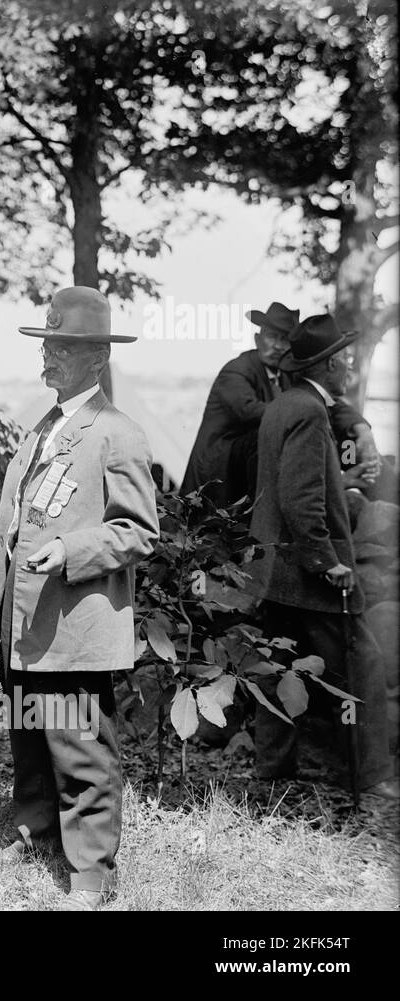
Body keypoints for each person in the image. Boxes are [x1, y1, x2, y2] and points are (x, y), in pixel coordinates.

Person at [0, 287, 159, 909]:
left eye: (60, 348)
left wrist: (74, 552)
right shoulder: (44, 429)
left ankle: (90, 873)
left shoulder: (117, 433)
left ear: (96, 359)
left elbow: (137, 531)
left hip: (72, 621)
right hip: (25, 622)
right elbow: (11, 529)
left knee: (79, 747)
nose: (46, 357)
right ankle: (36, 831)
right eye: (45, 344)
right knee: (29, 734)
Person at [249, 313, 399, 799]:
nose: (351, 363)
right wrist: (326, 561)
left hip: (277, 570)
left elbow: (298, 487)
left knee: (277, 669)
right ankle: (370, 776)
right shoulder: (310, 412)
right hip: (311, 574)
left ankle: (273, 771)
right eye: (346, 356)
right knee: (361, 668)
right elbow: (301, 496)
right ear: (331, 364)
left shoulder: (285, 404)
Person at [181, 301, 376, 507]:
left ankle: (374, 491)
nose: (277, 346)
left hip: (257, 468)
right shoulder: (236, 370)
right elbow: (251, 412)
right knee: (290, 430)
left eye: (284, 340)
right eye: (271, 337)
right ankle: (328, 488)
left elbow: (330, 404)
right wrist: (309, 414)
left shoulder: (288, 374)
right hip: (222, 474)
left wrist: (361, 429)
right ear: (257, 339)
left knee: (344, 438)